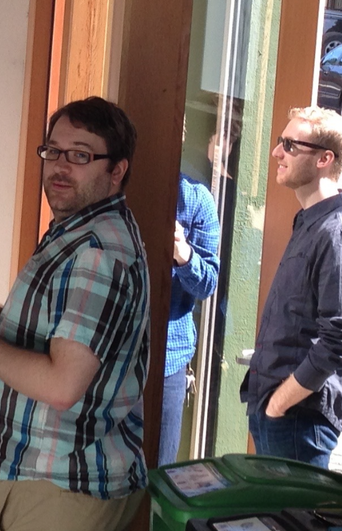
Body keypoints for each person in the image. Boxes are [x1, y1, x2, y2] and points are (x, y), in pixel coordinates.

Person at [0, 96, 150, 531]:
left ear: (117, 170)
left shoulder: (96, 253)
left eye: (80, 155)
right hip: (39, 476)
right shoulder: (79, 230)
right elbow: (67, 330)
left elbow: (61, 384)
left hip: (57, 485)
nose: (59, 167)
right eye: (53, 151)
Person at [240, 106, 342, 468]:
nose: (278, 153)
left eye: (291, 146)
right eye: (281, 142)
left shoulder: (337, 231)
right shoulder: (310, 221)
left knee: (295, 521)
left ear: (325, 159)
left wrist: (280, 403)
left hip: (298, 420)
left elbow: (339, 340)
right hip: (275, 413)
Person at [159, 174, 220, 466]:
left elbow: (207, 284)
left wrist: (182, 253)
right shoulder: (109, 185)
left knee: (157, 471)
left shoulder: (196, 199)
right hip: (105, 354)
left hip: (167, 362)